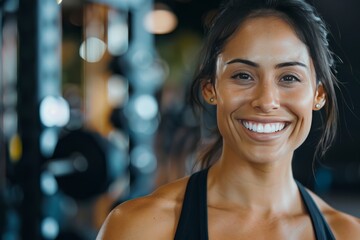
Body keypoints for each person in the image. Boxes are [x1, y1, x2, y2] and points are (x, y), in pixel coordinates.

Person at [96, 0, 360, 239]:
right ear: (211, 89)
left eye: (289, 78)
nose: (267, 101)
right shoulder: (138, 228)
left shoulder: (348, 234)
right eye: (243, 76)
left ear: (318, 94)